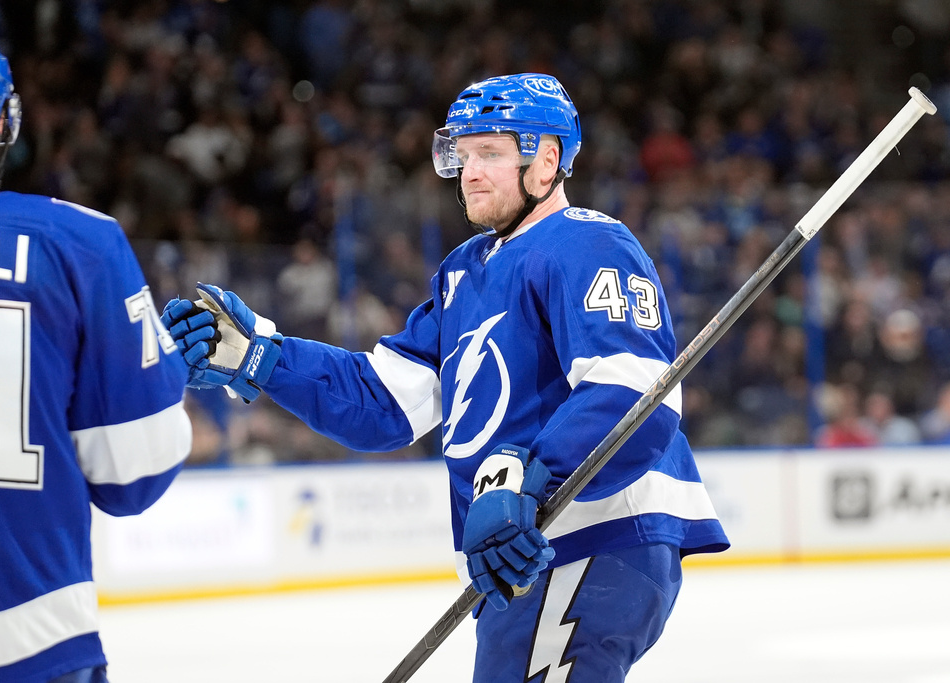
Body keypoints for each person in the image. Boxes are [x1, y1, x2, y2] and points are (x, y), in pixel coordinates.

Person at [163, 73, 728, 682]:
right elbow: (384, 403)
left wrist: (530, 480)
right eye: (462, 154)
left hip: (590, 539)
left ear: (547, 159)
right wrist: (264, 357)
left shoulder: (586, 242)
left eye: (490, 152)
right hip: (521, 557)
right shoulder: (465, 272)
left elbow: (634, 393)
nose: (470, 172)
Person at [0, 18, 192, 683]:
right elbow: (136, 473)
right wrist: (165, 367)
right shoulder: (81, 242)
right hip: (34, 641)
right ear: (2, 123)